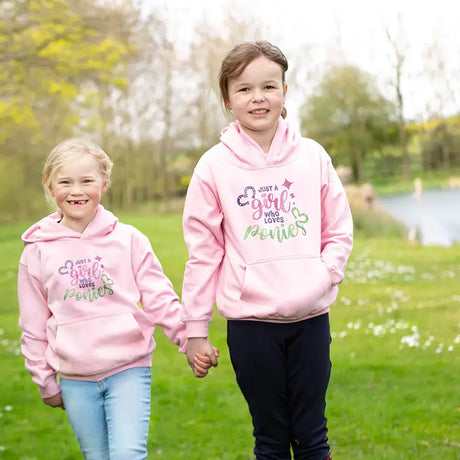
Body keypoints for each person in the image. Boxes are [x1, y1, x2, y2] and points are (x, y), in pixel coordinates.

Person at [182, 41, 353, 460]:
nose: (257, 98)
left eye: (268, 86)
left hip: (311, 318)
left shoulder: (312, 156)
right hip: (251, 324)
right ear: (227, 99)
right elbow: (204, 252)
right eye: (243, 89)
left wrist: (323, 275)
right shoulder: (213, 167)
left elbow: (339, 230)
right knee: (271, 439)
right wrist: (195, 330)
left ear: (284, 91)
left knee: (312, 435)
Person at [17, 138, 215, 460]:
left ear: (104, 183)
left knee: (127, 454)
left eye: (87, 181)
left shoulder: (129, 240)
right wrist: (45, 381)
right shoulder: (37, 252)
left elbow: (158, 296)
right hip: (74, 377)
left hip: (128, 368)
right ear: (50, 187)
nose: (76, 190)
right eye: (65, 182)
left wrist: (188, 337)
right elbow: (33, 324)